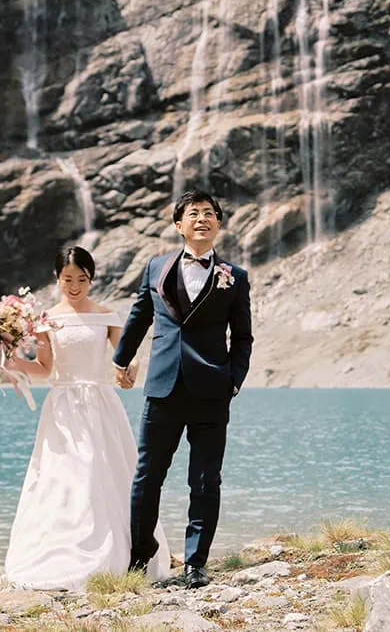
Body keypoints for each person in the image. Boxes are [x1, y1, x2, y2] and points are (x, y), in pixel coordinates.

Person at [1, 246, 170, 591]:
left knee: (104, 474)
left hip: (100, 404)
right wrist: (12, 361)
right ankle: (56, 553)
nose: (74, 286)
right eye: (67, 279)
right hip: (62, 407)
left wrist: (130, 371)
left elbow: (127, 355)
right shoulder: (46, 320)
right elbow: (45, 369)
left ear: (91, 279)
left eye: (81, 279)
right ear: (57, 279)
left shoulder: (106, 316)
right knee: (62, 478)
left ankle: (119, 553)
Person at [113, 189, 253, 589]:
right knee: (147, 476)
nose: (202, 220)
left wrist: (233, 381)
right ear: (179, 224)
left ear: (219, 224)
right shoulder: (156, 267)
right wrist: (121, 359)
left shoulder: (235, 277)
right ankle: (139, 560)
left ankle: (195, 563)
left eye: (210, 214)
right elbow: (139, 315)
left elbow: (243, 337)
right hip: (163, 388)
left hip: (212, 391)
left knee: (206, 480)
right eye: (194, 214)